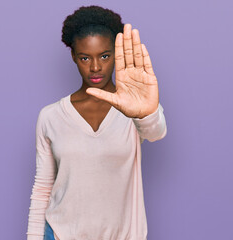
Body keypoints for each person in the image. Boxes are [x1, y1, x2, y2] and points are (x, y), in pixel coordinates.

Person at [26, 5, 167, 240]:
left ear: (116, 53)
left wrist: (144, 111)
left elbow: (156, 132)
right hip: (59, 234)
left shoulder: (134, 108)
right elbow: (42, 189)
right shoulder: (50, 116)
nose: (95, 67)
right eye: (85, 57)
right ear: (73, 56)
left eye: (104, 56)